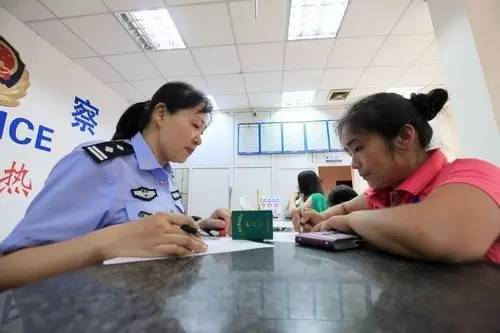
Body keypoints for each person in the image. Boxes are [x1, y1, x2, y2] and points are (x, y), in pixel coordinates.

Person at [0, 82, 231, 289]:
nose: (199, 139)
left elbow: (147, 233)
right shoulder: (99, 165)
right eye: (194, 125)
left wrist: (201, 224)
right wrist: (109, 242)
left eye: (202, 131)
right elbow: (7, 269)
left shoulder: (166, 178)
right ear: (161, 114)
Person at [295, 89, 500, 263]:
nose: (354, 164)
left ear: (404, 137)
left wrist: (349, 222)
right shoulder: (386, 192)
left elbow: (443, 232)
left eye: (358, 148)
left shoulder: (474, 175)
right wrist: (321, 219)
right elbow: (346, 207)